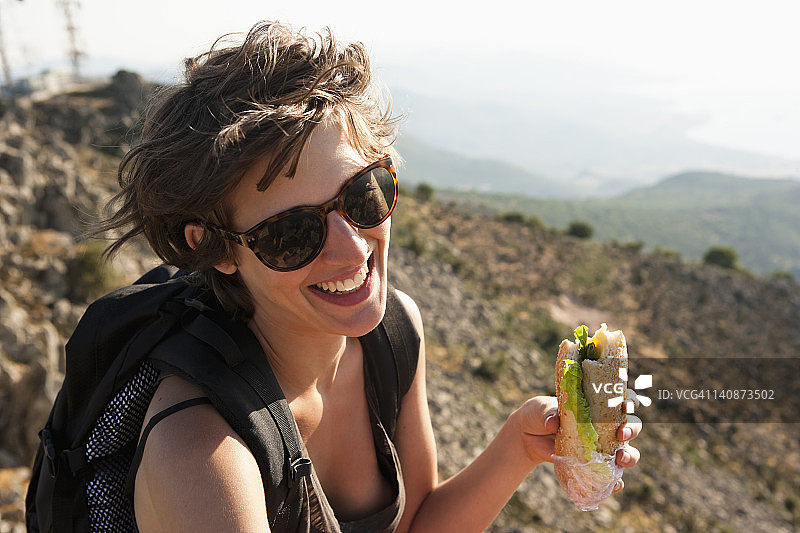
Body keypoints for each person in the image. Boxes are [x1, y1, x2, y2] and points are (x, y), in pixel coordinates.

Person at [98, 21, 641, 532]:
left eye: (364, 194)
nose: (354, 247)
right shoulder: (199, 453)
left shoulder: (393, 331)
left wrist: (520, 446)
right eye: (292, 234)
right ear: (215, 248)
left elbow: (414, 525)